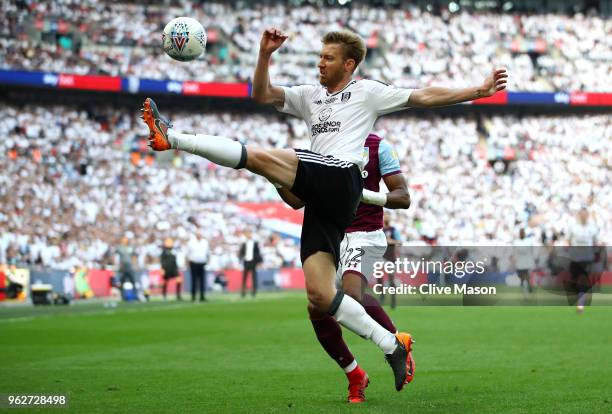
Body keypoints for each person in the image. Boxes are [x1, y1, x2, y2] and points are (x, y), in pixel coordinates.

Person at [141, 27, 507, 394]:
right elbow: (262, 94)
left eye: (328, 58)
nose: (320, 63)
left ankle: (172, 138)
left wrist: (478, 90)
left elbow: (424, 96)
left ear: (349, 64)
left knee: (261, 156)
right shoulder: (309, 96)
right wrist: (265, 55)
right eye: (320, 57)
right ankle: (391, 344)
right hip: (324, 198)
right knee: (319, 296)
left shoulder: (367, 91)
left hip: (342, 175)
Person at [277, 132, 411, 402]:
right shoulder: (320, 146)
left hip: (365, 233)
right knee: (317, 306)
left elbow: (403, 197)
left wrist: (361, 195)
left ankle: (397, 341)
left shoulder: (378, 147)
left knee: (351, 292)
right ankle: (354, 375)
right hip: (330, 234)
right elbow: (297, 202)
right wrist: (274, 176)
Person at [566, 208, 599, 313]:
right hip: (575, 259)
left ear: (588, 215)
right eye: (582, 214)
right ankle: (579, 298)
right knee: (575, 281)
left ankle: (580, 305)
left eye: (586, 214)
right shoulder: (573, 227)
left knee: (583, 281)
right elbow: (568, 241)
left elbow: (596, 242)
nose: (584, 216)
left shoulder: (592, 228)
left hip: (587, 259)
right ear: (579, 215)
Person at [381, 214, 402, 309]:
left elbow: (400, 242)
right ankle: (382, 296)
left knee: (391, 280)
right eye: (385, 216)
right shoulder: (379, 230)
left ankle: (393, 300)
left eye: (388, 216)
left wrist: (390, 241)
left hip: (390, 257)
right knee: (379, 278)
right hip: (380, 257)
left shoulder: (393, 230)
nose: (386, 218)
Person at [238, 228, 262, 298]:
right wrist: (241, 258)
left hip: (253, 262)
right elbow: (241, 252)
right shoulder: (244, 243)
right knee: (244, 278)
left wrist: (259, 261)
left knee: (254, 277)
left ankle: (253, 292)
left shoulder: (255, 243)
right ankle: (243, 292)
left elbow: (257, 253)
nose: (248, 235)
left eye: (249, 233)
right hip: (246, 262)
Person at [187, 231, 209, 302]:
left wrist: (208, 260)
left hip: (202, 263)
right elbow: (187, 253)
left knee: (202, 280)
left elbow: (207, 252)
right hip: (193, 263)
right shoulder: (191, 242)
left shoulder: (205, 242)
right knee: (194, 280)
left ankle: (202, 296)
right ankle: (193, 296)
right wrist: (188, 262)